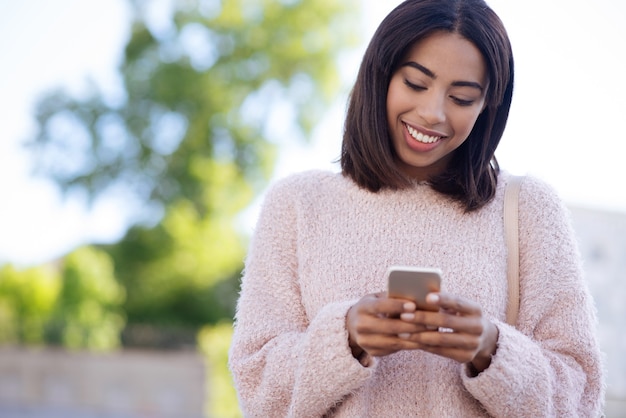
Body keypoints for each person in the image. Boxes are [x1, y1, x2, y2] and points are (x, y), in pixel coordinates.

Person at [228, 0, 605, 416]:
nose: (432, 113)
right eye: (415, 83)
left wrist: (491, 349)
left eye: (462, 98)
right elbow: (258, 389)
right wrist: (346, 339)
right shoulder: (297, 204)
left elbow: (581, 397)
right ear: (381, 76)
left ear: (487, 108)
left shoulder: (528, 208)